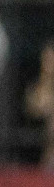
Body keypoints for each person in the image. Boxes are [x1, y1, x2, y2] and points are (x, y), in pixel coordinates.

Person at [26, 41, 54, 171]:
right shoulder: (36, 89)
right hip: (41, 158)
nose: (47, 64)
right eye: (45, 60)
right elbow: (35, 110)